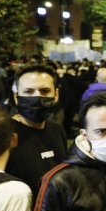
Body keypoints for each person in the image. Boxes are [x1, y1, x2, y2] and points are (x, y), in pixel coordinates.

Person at [7, 64, 67, 203]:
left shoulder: (57, 130)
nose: (37, 97)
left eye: (45, 91)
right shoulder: (4, 135)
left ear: (55, 95)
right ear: (17, 97)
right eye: (28, 92)